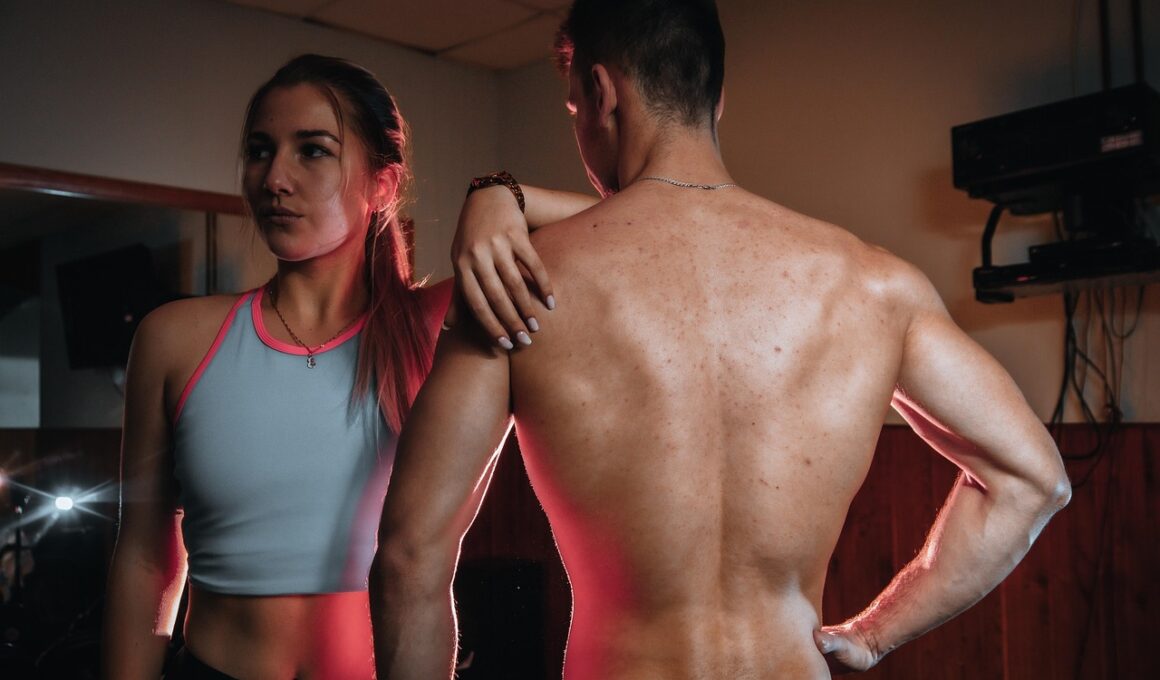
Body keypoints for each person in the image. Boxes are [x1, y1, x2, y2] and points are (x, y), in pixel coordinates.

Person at [369, 1, 1073, 678]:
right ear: (718, 98)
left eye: (576, 110)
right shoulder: (875, 287)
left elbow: (409, 556)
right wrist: (874, 632)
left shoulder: (523, 281)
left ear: (601, 93)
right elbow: (1034, 480)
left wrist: (499, 190)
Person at [101, 54, 566, 680]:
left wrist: (499, 196)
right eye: (260, 151)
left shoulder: (442, 324)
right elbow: (145, 556)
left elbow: (633, 226)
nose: (274, 178)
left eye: (313, 151)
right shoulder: (173, 339)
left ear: (383, 185)